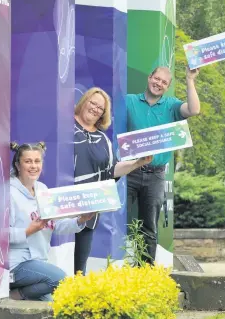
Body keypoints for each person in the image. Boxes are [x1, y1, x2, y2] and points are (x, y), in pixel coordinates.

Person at [74, 87, 153, 275]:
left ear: (103, 114)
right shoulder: (64, 127)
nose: (95, 108)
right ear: (83, 101)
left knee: (78, 269)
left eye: (100, 108)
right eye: (92, 103)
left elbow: (112, 171)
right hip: (62, 207)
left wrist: (138, 162)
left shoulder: (103, 139)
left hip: (89, 209)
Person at [126, 66, 200, 264]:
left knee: (149, 226)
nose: (158, 84)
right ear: (149, 77)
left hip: (156, 175)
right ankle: (117, 270)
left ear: (167, 87)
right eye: (156, 79)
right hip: (129, 172)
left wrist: (190, 80)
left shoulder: (171, 105)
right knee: (119, 221)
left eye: (163, 82)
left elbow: (194, 110)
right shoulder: (129, 101)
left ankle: (146, 273)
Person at [9, 141, 95, 301]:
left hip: (38, 264)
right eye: (28, 161)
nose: (33, 166)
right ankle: (16, 296)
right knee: (60, 278)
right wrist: (28, 231)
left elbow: (57, 225)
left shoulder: (42, 189)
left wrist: (80, 220)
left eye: (37, 161)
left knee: (54, 308)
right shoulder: (8, 192)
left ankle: (22, 295)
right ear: (17, 165)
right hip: (15, 265)